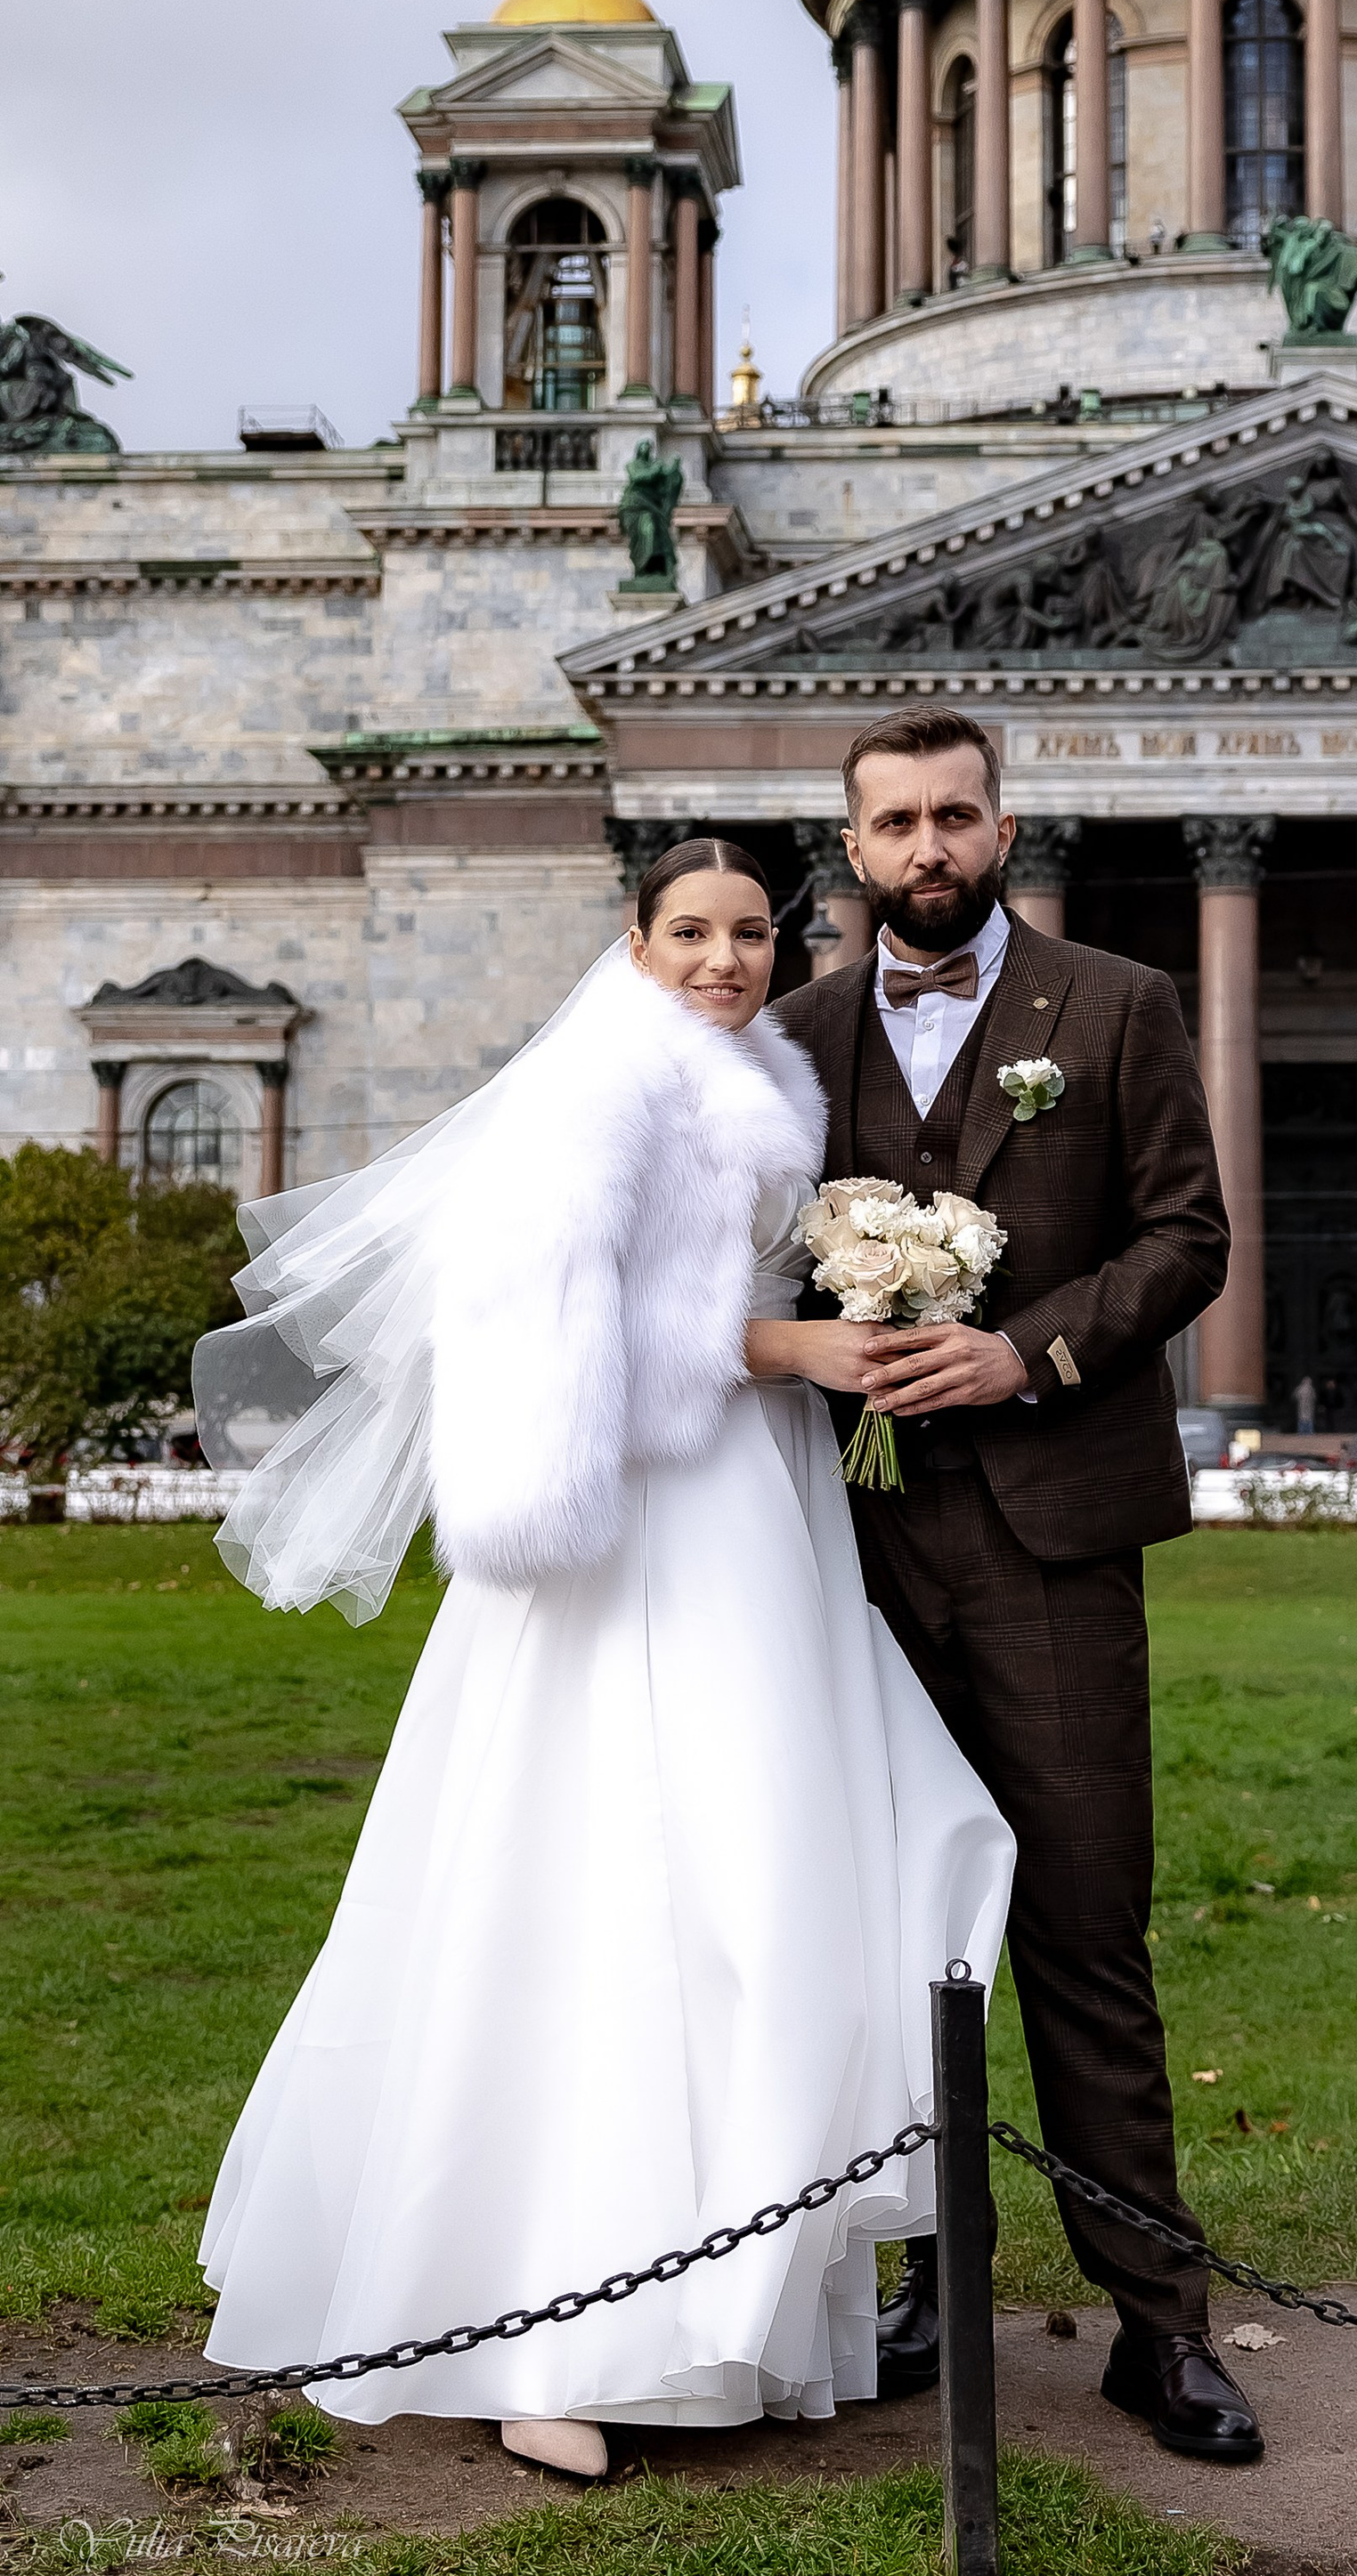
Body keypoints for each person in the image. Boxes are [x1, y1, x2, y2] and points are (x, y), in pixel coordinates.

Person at [191, 842, 1013, 2483]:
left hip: (753, 1508)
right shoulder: (605, 1090)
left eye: (749, 933)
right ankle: (543, 2327)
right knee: (619, 1885)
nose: (723, 959)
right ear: (632, 941)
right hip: (643, 1522)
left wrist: (840, 1304)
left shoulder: (749, 1071)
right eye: (690, 932)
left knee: (762, 1875)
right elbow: (580, 1328)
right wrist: (800, 1340)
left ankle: (733, 2308)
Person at [770, 707, 1264, 2467]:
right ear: (850, 850)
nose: (927, 847)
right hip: (845, 1547)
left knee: (1078, 1923)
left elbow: (1186, 1237)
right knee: (883, 1928)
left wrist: (1023, 1356)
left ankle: (1160, 2326)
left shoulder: (1115, 1005)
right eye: (894, 821)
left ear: (1001, 828)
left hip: (1051, 1536)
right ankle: (913, 2284)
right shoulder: (789, 1035)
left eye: (954, 817)